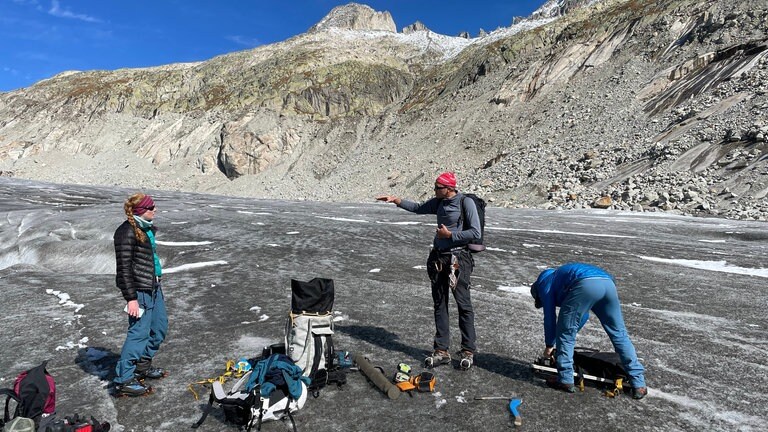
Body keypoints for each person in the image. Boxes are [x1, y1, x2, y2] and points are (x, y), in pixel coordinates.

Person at [377, 172, 481, 370]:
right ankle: (441, 349)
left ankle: (468, 349)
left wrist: (450, 234)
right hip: (439, 258)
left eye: (437, 188)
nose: (434, 191)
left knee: (463, 304)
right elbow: (417, 208)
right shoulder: (439, 202)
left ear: (449, 188)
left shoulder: (465, 203)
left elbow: (475, 232)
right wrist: (396, 200)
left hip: (458, 259)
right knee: (439, 303)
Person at [530, 263, 647, 399]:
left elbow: (550, 318)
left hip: (585, 284)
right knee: (619, 334)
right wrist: (568, 332)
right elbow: (583, 316)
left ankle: (565, 379)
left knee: (565, 334)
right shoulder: (559, 278)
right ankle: (639, 383)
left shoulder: (543, 284)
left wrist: (550, 344)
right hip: (608, 285)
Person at [112, 193, 168, 397]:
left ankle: (142, 367)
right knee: (138, 334)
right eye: (152, 207)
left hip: (153, 287)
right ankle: (124, 379)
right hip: (139, 292)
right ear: (141, 211)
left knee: (159, 328)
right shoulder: (126, 232)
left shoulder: (146, 229)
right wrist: (131, 299)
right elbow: (124, 269)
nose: (156, 210)